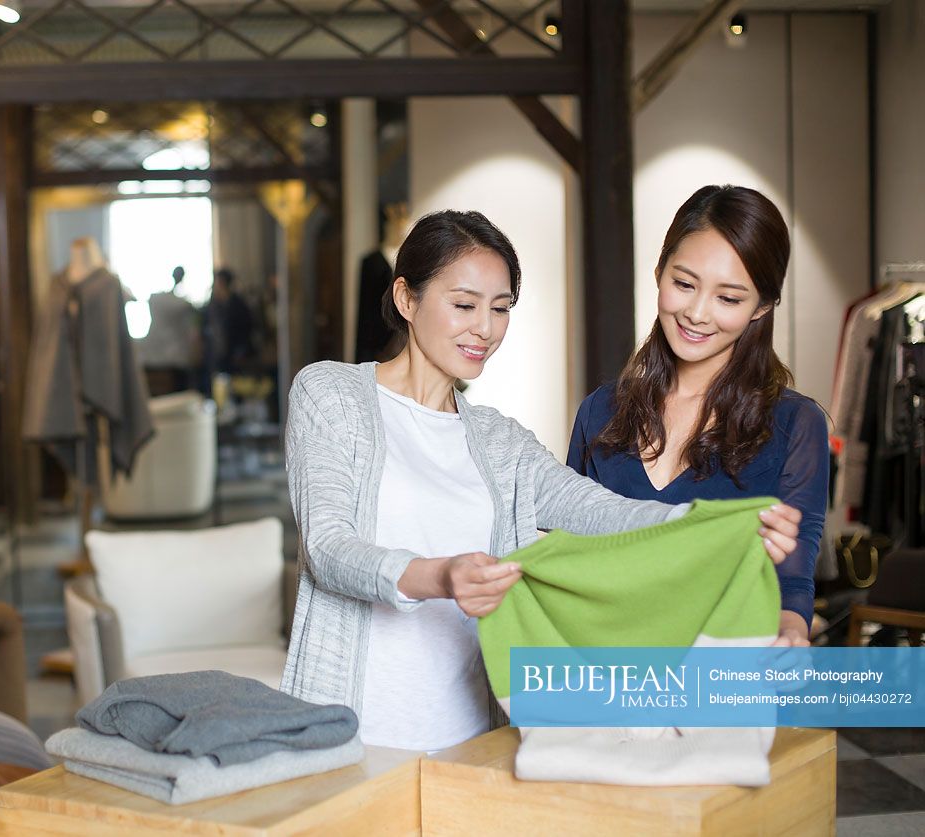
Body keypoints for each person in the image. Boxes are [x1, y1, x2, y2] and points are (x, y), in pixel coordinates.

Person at [282, 209, 804, 753]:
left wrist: (706, 522)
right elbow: (328, 548)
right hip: (351, 729)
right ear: (406, 299)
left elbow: (593, 509)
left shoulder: (497, 439)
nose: (483, 328)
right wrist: (440, 577)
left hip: (471, 736)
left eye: (500, 309)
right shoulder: (330, 395)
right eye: (464, 305)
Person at [567, 185, 827, 648]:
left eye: (729, 298)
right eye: (683, 284)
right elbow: (568, 554)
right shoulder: (600, 411)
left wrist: (791, 636)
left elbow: (792, 582)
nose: (697, 313)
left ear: (761, 307)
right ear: (659, 272)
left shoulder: (793, 425)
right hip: (606, 671)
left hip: (718, 685)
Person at [140, 266, 199, 394]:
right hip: (171, 360)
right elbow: (192, 333)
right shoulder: (182, 304)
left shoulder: (157, 299)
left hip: (156, 359)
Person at [203, 267, 255, 377]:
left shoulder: (238, 304)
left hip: (234, 355)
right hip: (215, 354)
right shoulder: (213, 305)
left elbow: (246, 329)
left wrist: (241, 351)